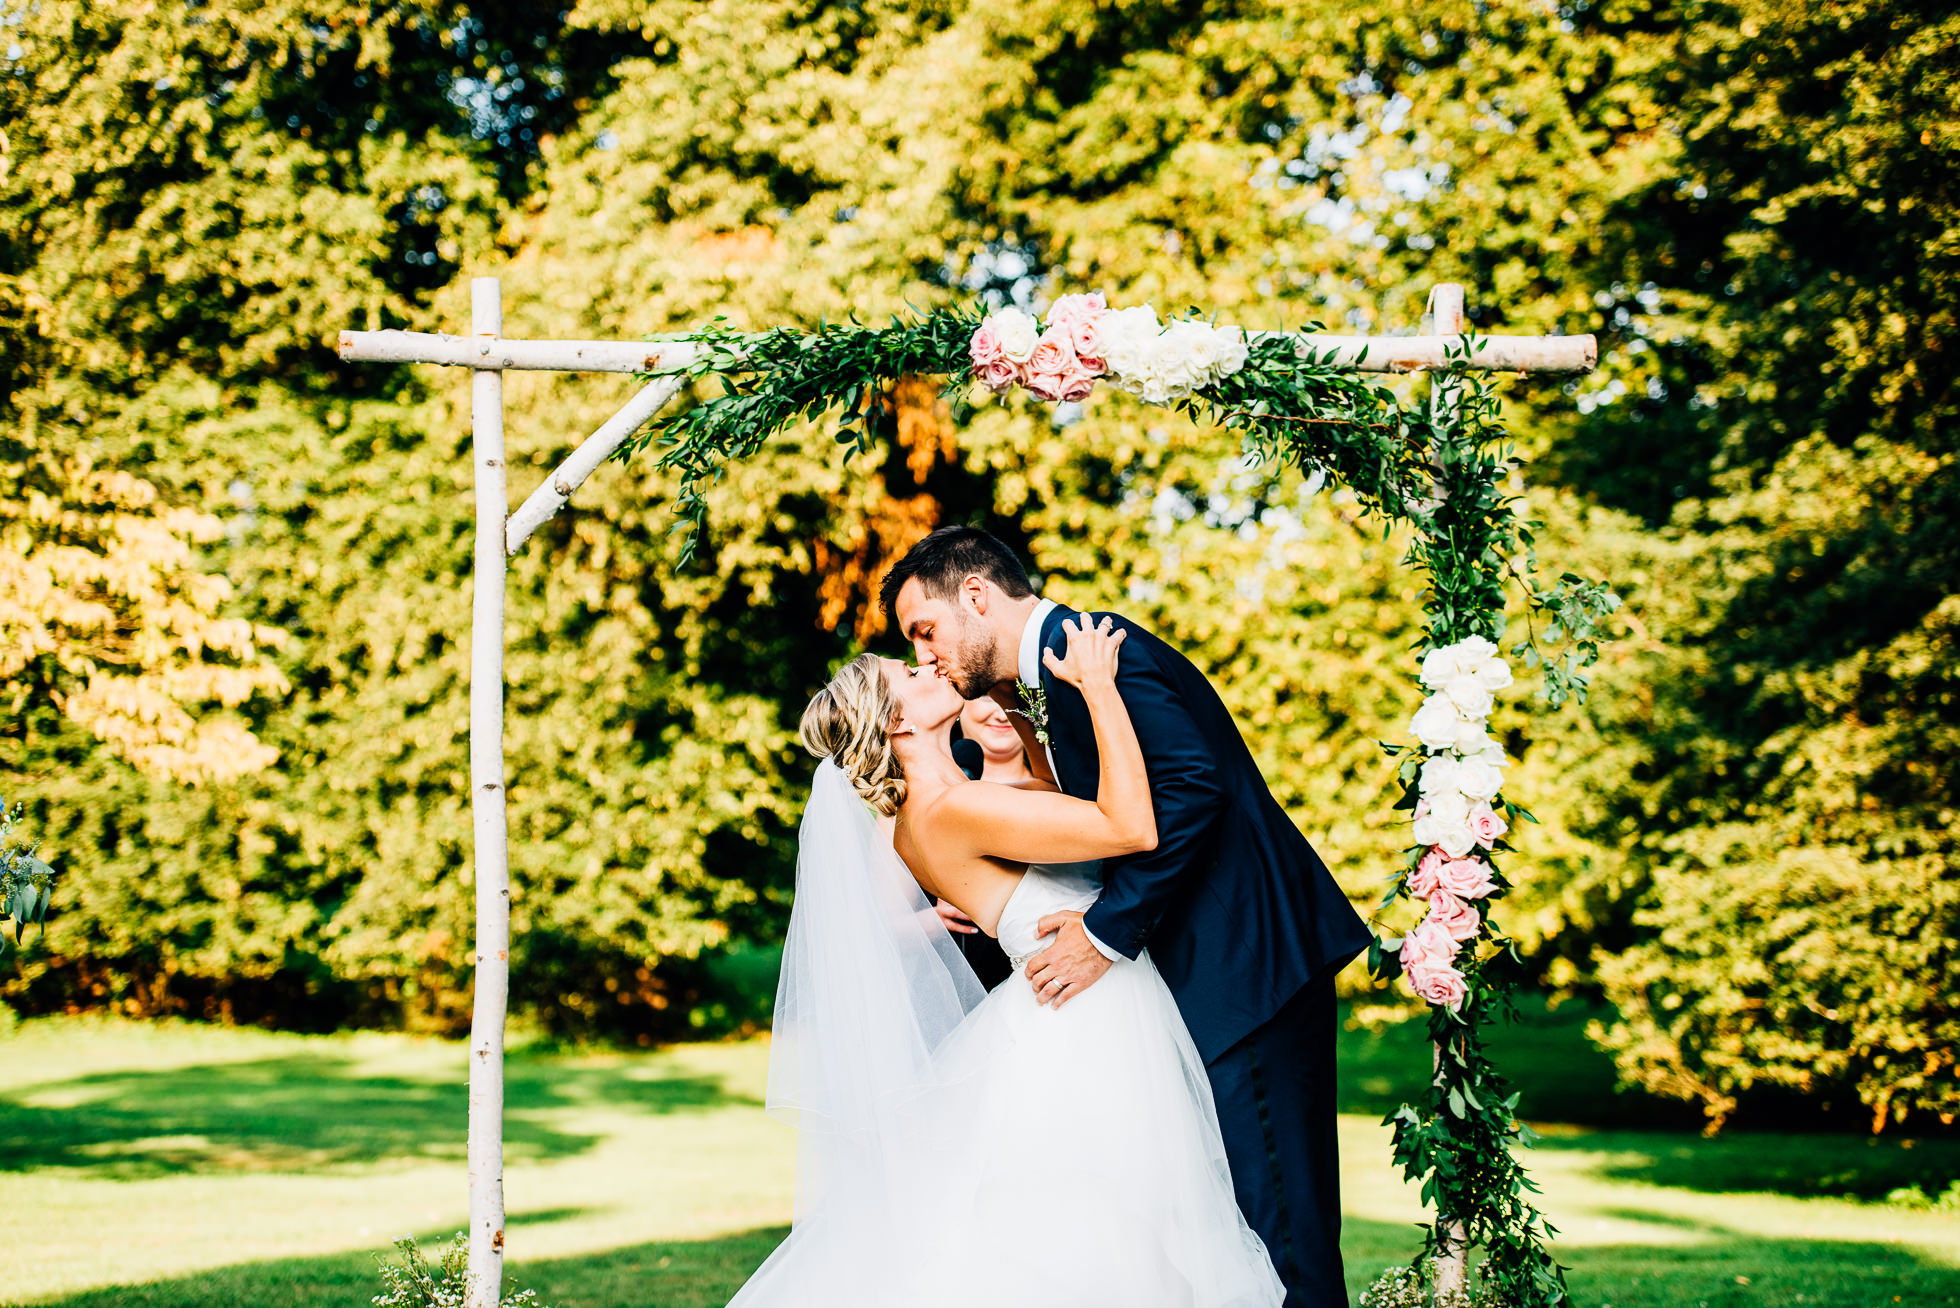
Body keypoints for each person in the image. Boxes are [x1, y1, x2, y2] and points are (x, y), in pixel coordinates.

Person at [883, 525, 1373, 1308]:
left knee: (1279, 1236)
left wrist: (1107, 933)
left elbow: (1191, 789)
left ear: (975, 595)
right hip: (1203, 983)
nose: (927, 653)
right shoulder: (1047, 679)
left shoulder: (1096, 654)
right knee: (1232, 1235)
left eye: (926, 630)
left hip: (1243, 972)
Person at [728, 619, 1282, 1308]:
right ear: (898, 721)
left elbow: (1068, 823)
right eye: (912, 675)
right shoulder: (952, 809)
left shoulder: (928, 814)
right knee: (1110, 1233)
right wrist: (1100, 688)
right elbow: (1131, 826)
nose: (931, 669)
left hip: (1071, 1000)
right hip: (1083, 1016)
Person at [935, 696, 1034, 989]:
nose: (1001, 713)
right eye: (987, 698)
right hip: (954, 987)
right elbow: (877, 922)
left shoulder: (1061, 789)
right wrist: (932, 921)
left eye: (1009, 697)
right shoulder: (917, 793)